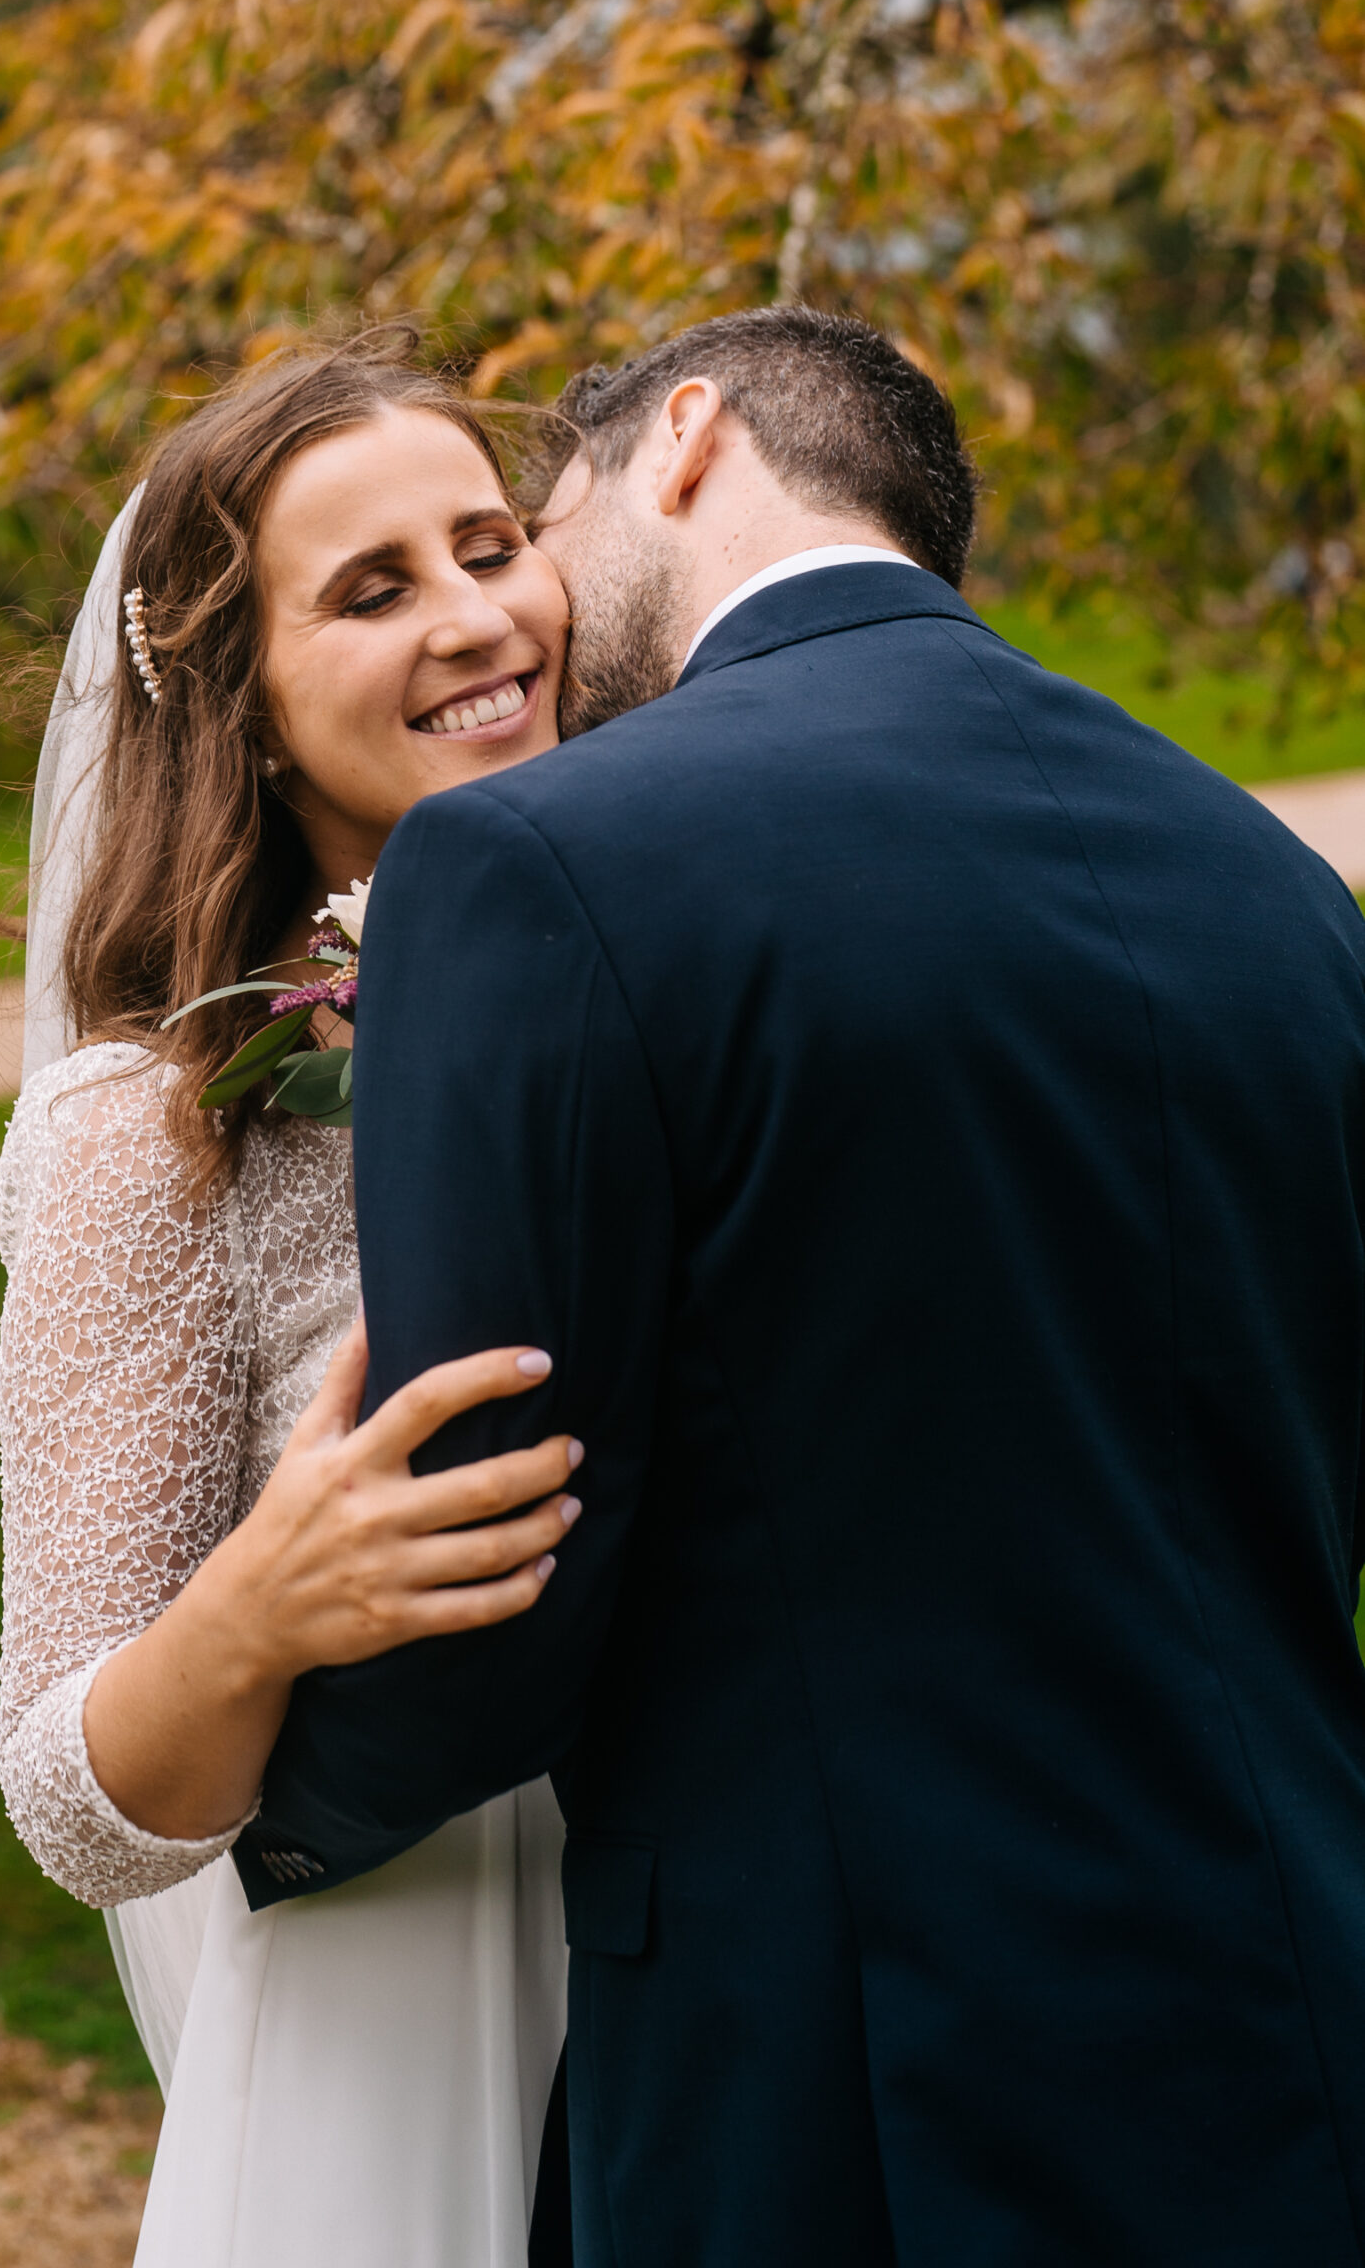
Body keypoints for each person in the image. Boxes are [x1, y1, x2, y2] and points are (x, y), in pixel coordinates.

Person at [235, 305, 1365, 2266]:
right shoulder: (1270, 886)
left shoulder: (533, 862)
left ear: (678, 442)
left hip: (841, 2079)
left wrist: (262, 1807)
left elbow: (500, 1543)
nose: (534, 636)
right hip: (1290, 2018)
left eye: (533, 533)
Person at [0, 332, 579, 2268]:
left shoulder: (685, 990)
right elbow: (78, 1798)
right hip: (410, 2003)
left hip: (745, 1948)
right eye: (373, 586)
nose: (476, 615)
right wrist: (258, 1607)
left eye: (488, 541)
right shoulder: (149, 1133)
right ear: (237, 706)